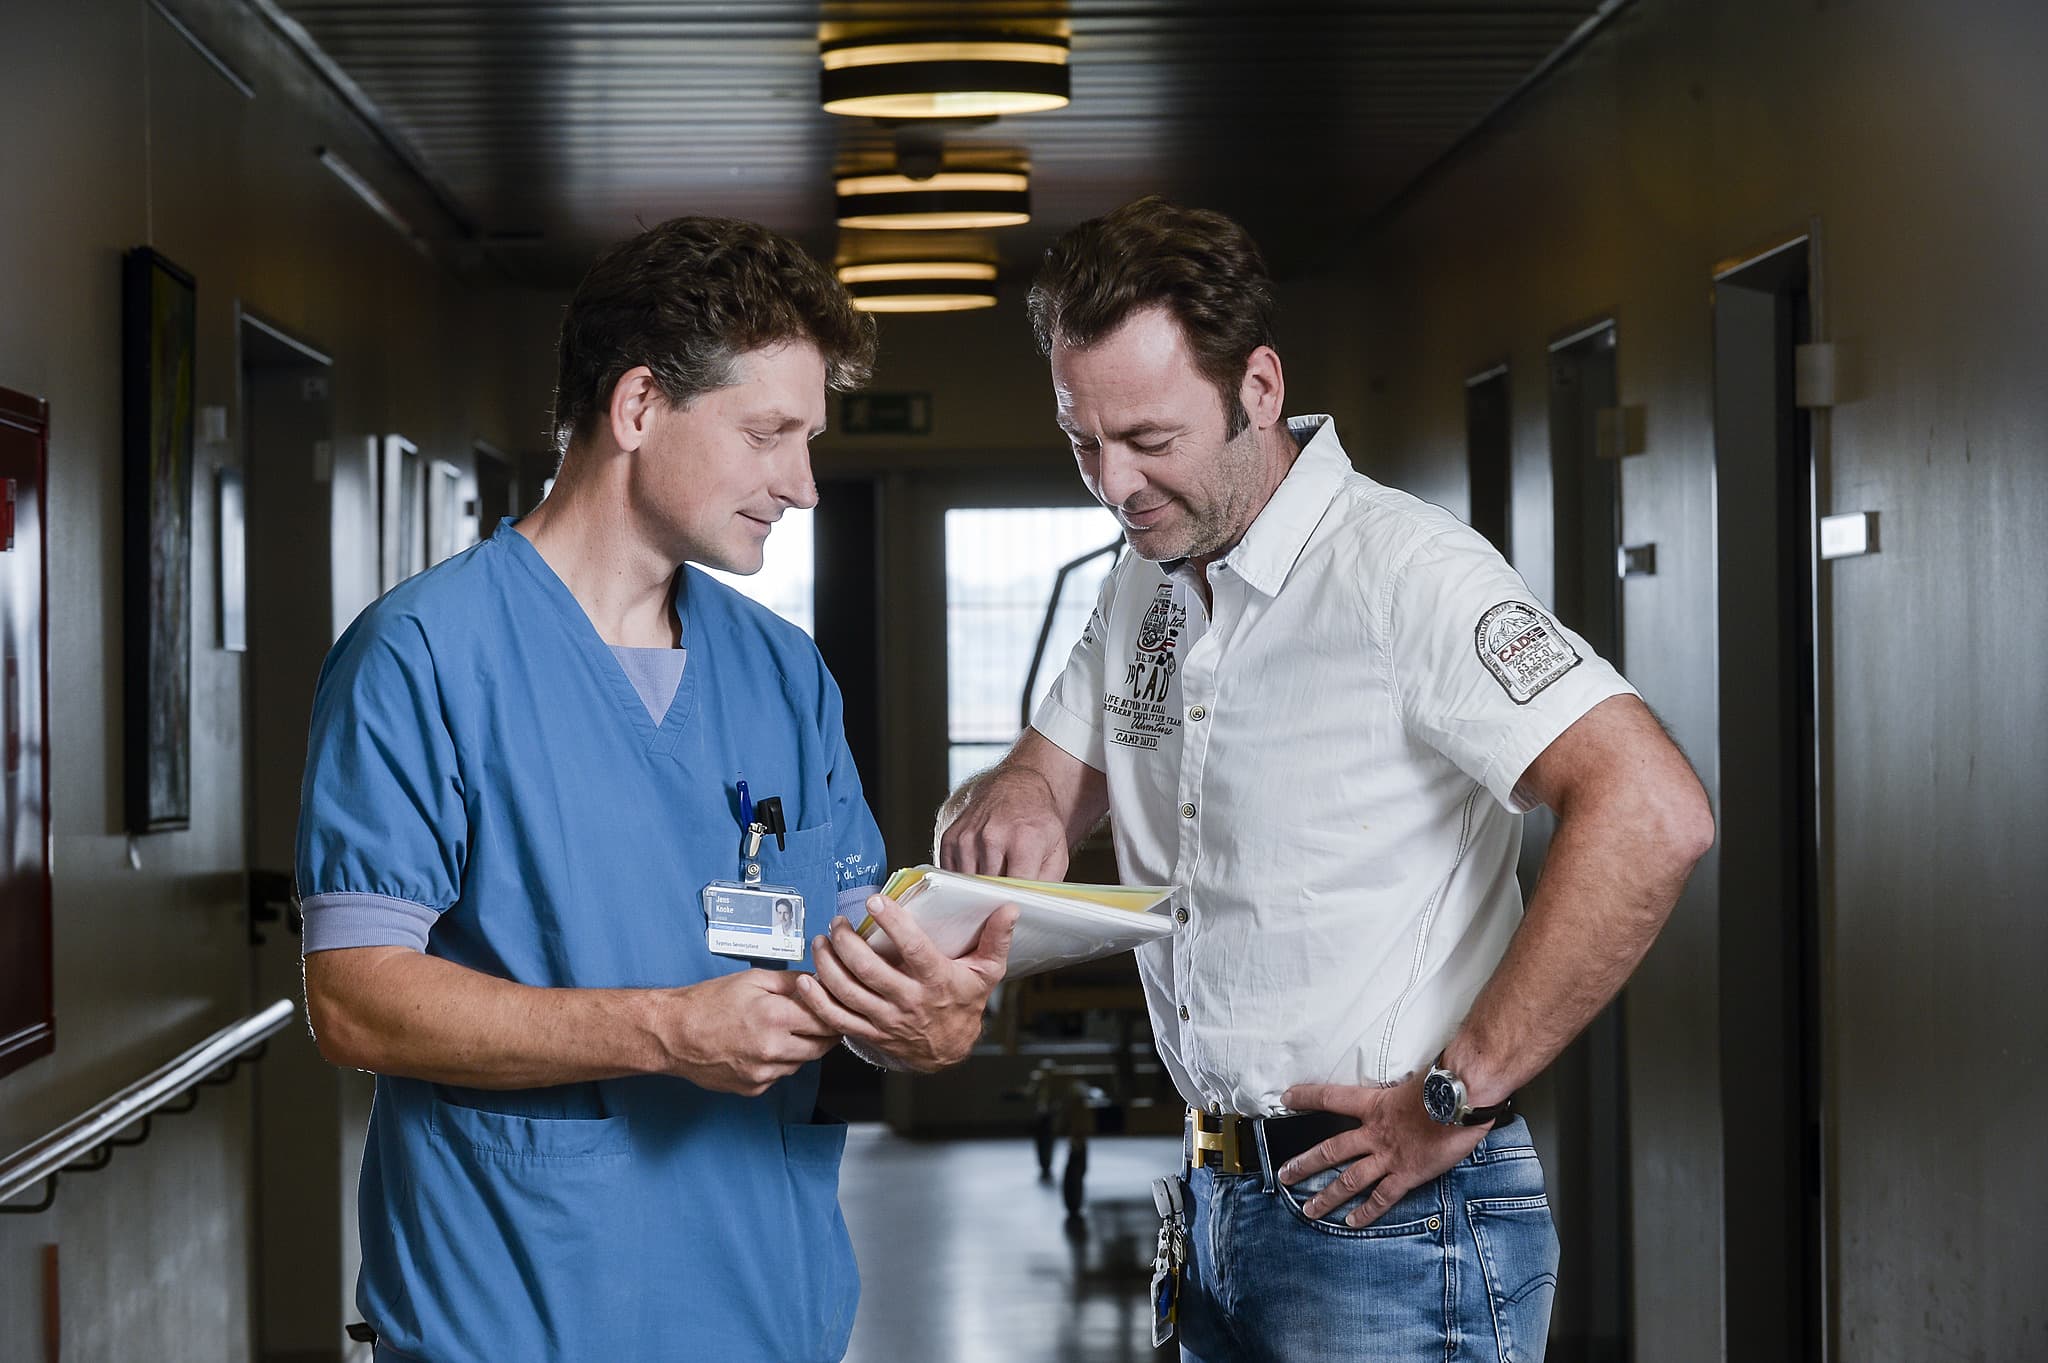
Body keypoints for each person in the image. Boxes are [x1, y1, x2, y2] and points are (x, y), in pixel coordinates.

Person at [937, 197, 1715, 1362]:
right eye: (1081, 440)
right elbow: (1051, 774)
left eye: (1150, 438)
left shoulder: (1403, 572)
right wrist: (1018, 795)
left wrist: (1458, 1093)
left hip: (1397, 1225)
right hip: (1217, 1203)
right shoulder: (1146, 570)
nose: (1113, 482)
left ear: (1257, 387)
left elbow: (1652, 810)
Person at [297, 216, 1015, 1363]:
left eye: (808, 439)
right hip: (515, 1315)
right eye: (768, 434)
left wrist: (922, 1022)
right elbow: (355, 998)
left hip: (767, 1312)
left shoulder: (781, 674)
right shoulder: (425, 655)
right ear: (637, 408)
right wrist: (665, 1031)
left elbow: (850, 959)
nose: (803, 485)